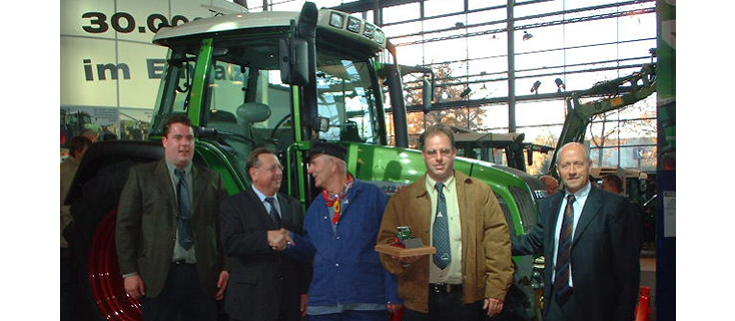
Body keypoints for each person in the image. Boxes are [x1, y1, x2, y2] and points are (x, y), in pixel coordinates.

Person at [377, 124, 514, 321]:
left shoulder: (478, 192)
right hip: (419, 300)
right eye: (432, 152)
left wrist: (496, 289)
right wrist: (402, 260)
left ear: (454, 153)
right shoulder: (403, 199)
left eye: (444, 151)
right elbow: (387, 240)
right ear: (423, 155)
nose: (439, 158)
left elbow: (498, 243)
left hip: (466, 300)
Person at [116, 114, 230, 321]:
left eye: (190, 138)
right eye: (178, 138)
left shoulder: (213, 179)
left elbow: (224, 227)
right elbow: (126, 226)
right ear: (165, 141)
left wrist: (226, 268)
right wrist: (129, 272)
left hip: (202, 277)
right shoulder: (141, 176)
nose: (184, 144)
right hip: (159, 277)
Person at [511, 142, 640, 321]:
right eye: (565, 165)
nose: (572, 171)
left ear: (589, 166)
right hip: (556, 305)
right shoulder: (549, 206)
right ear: (558, 169)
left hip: (597, 308)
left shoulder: (613, 207)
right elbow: (534, 241)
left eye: (578, 164)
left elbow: (627, 271)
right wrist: (493, 243)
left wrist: (624, 315)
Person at [286, 141, 402, 321]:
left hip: (366, 302)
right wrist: (289, 240)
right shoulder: (315, 208)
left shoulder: (373, 197)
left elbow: (392, 243)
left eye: (314, 163)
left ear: (332, 164)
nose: (309, 170)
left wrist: (393, 292)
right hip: (324, 305)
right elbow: (311, 249)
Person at [219, 147, 310, 321]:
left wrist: (304, 291)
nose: (279, 173)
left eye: (280, 168)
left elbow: (303, 254)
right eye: (273, 168)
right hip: (251, 302)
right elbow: (230, 243)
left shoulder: (293, 205)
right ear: (254, 174)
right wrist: (266, 238)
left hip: (287, 301)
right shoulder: (233, 205)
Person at [60, 135, 92, 321]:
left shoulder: (66, 169)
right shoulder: (69, 172)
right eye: (87, 152)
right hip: (64, 239)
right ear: (79, 152)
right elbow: (65, 205)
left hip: (66, 237)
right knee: (66, 284)